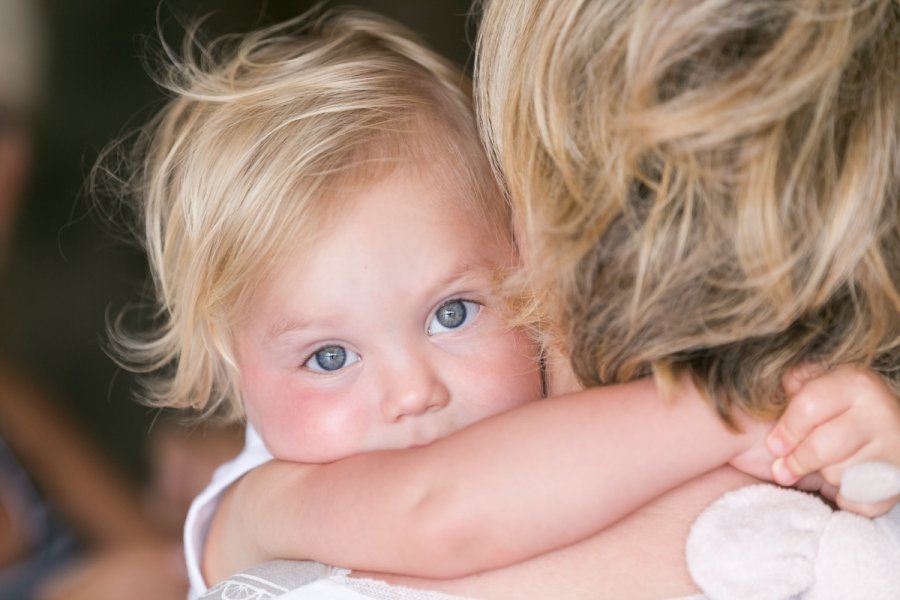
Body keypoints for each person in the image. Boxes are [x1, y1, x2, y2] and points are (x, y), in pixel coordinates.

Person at [103, 6, 900, 600]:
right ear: (233, 372)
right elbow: (446, 512)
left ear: (525, 264)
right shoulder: (262, 499)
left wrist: (841, 444)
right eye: (329, 356)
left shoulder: (567, 420)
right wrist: (740, 412)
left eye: (452, 313)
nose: (414, 391)